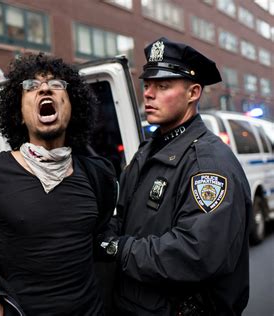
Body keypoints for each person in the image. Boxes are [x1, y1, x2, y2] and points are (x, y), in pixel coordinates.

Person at [0, 53, 118, 315]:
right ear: (19, 114)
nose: (44, 88)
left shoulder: (98, 175)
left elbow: (103, 236)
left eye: (56, 84)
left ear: (71, 106)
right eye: (31, 86)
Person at [104, 37, 251, 315]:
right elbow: (122, 215)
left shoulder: (207, 164)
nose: (148, 93)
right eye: (147, 85)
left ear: (193, 93)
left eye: (163, 86)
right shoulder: (149, 150)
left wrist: (119, 249)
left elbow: (197, 253)